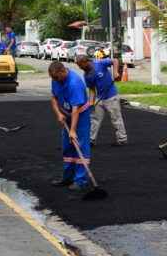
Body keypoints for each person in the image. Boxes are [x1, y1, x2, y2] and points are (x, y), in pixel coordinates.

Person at [49, 61, 92, 191]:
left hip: (80, 115)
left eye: (57, 77)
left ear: (63, 71)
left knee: (80, 146)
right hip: (67, 115)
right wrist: (58, 114)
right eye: (53, 78)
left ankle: (81, 180)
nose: (56, 80)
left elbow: (76, 110)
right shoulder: (55, 79)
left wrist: (73, 130)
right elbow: (54, 98)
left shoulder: (75, 83)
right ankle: (68, 177)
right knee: (67, 147)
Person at [76, 55, 128, 148]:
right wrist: (91, 102)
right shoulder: (86, 75)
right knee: (94, 119)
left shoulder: (99, 63)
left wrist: (115, 72)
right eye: (79, 66)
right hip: (99, 98)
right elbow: (92, 89)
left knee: (116, 118)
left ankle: (122, 139)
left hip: (111, 96)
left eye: (80, 65)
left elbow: (115, 60)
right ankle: (91, 140)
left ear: (86, 62)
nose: (80, 68)